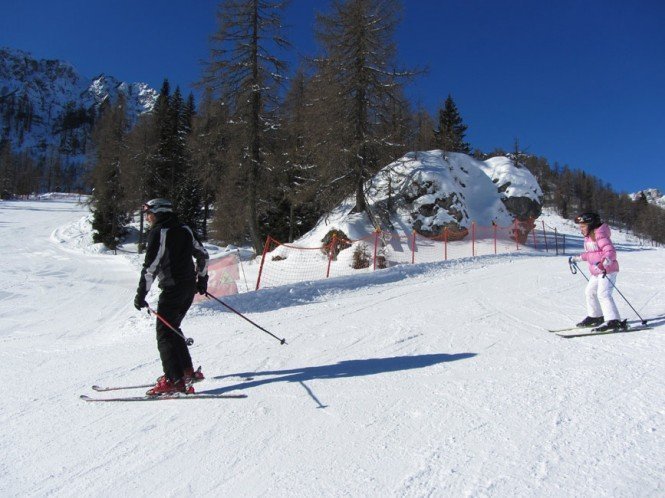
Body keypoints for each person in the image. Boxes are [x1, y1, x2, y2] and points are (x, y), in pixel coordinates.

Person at [134, 198, 210, 395]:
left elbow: (150, 267)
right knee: (173, 328)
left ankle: (173, 380)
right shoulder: (184, 228)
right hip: (187, 289)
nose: (148, 217)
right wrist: (202, 280)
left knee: (164, 334)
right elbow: (202, 255)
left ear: (158, 212)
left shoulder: (160, 232)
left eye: (149, 213)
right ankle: (186, 371)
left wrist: (141, 294)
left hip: (173, 289)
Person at [568, 212, 623, 331]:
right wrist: (577, 258)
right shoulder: (588, 237)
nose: (581, 229)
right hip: (597, 272)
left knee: (603, 294)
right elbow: (590, 254)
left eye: (583, 226)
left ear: (591, 225)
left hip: (607, 271)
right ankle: (596, 316)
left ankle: (613, 320)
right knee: (589, 292)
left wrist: (605, 262)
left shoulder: (600, 235)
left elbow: (610, 251)